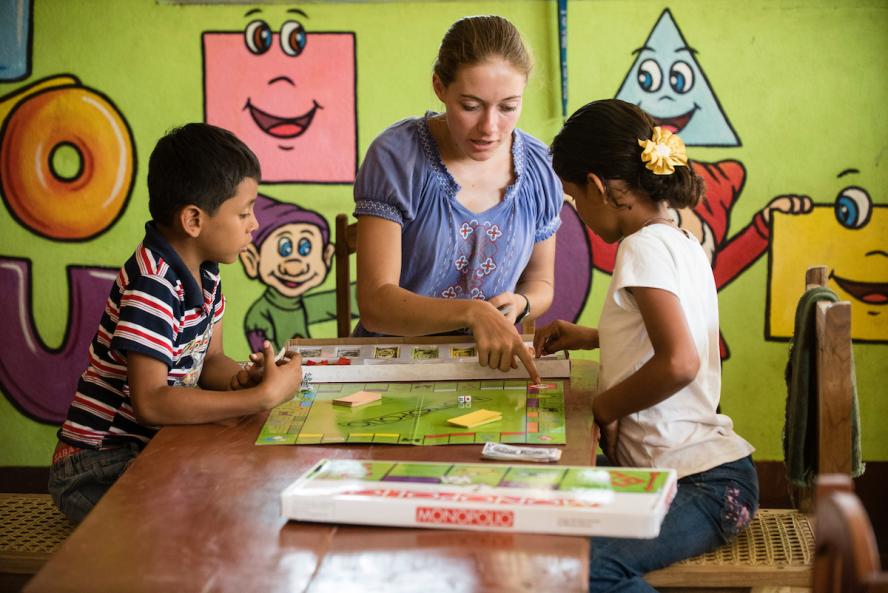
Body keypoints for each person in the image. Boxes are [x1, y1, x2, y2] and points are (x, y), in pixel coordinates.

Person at [535, 99, 759, 592]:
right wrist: (595, 338)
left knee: (581, 567)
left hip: (702, 486)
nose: (577, 211)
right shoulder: (679, 239)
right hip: (708, 478)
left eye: (573, 198)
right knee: (558, 533)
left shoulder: (640, 246)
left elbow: (679, 362)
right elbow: (674, 336)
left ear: (597, 186)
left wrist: (604, 407)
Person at [48, 123, 303, 523]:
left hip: (150, 448)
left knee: (238, 486)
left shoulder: (207, 272)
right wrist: (260, 398)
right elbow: (151, 401)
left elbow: (210, 360)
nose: (254, 224)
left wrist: (244, 378)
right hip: (95, 466)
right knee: (201, 520)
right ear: (194, 221)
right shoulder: (154, 284)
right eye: (243, 212)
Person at [353, 15, 564, 384]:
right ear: (439, 87)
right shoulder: (396, 157)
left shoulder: (540, 168)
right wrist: (472, 312)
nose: (490, 128)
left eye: (508, 107)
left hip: (492, 369)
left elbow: (541, 284)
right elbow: (375, 305)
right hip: (389, 368)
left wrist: (522, 303)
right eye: (470, 106)